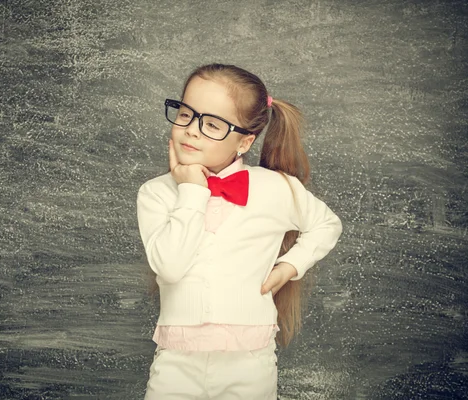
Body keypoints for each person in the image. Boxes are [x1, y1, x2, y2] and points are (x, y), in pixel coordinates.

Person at [136, 63, 343, 399]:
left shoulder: (276, 188)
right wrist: (191, 191)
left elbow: (327, 224)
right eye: (186, 114)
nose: (191, 130)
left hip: (249, 362)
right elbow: (170, 267)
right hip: (177, 360)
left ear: (245, 141)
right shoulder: (156, 193)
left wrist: (290, 266)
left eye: (212, 124)